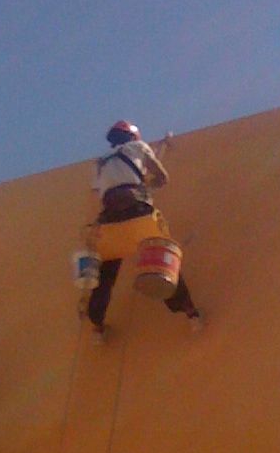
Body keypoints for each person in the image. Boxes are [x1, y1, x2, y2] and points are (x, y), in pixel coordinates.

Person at [84, 121, 202, 340]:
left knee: (105, 276)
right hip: (138, 213)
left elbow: (100, 191)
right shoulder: (139, 147)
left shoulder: (100, 163)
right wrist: (148, 187)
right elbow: (162, 177)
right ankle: (190, 313)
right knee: (162, 261)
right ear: (134, 136)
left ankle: (97, 326)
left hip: (109, 221)